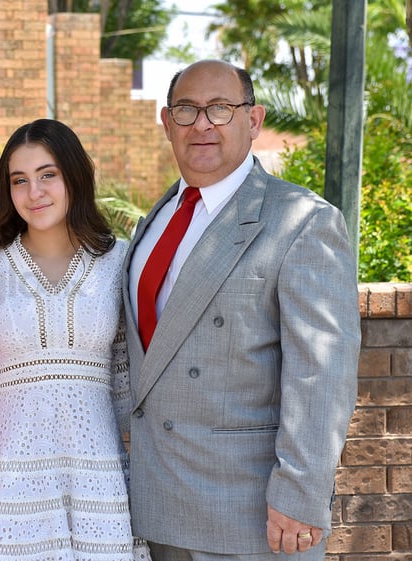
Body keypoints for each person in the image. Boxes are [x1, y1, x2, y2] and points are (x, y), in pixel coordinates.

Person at [122, 59, 360, 560]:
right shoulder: (156, 220)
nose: (202, 124)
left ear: (253, 121)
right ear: (167, 123)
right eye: (186, 110)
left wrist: (301, 494)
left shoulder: (301, 222)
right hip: (158, 506)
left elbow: (322, 372)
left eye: (220, 109)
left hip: (251, 515)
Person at [0, 119, 151, 561]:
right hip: (13, 476)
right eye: (20, 180)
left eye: (48, 175)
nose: (35, 192)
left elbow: (127, 381)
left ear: (74, 176)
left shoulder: (119, 260)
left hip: (99, 470)